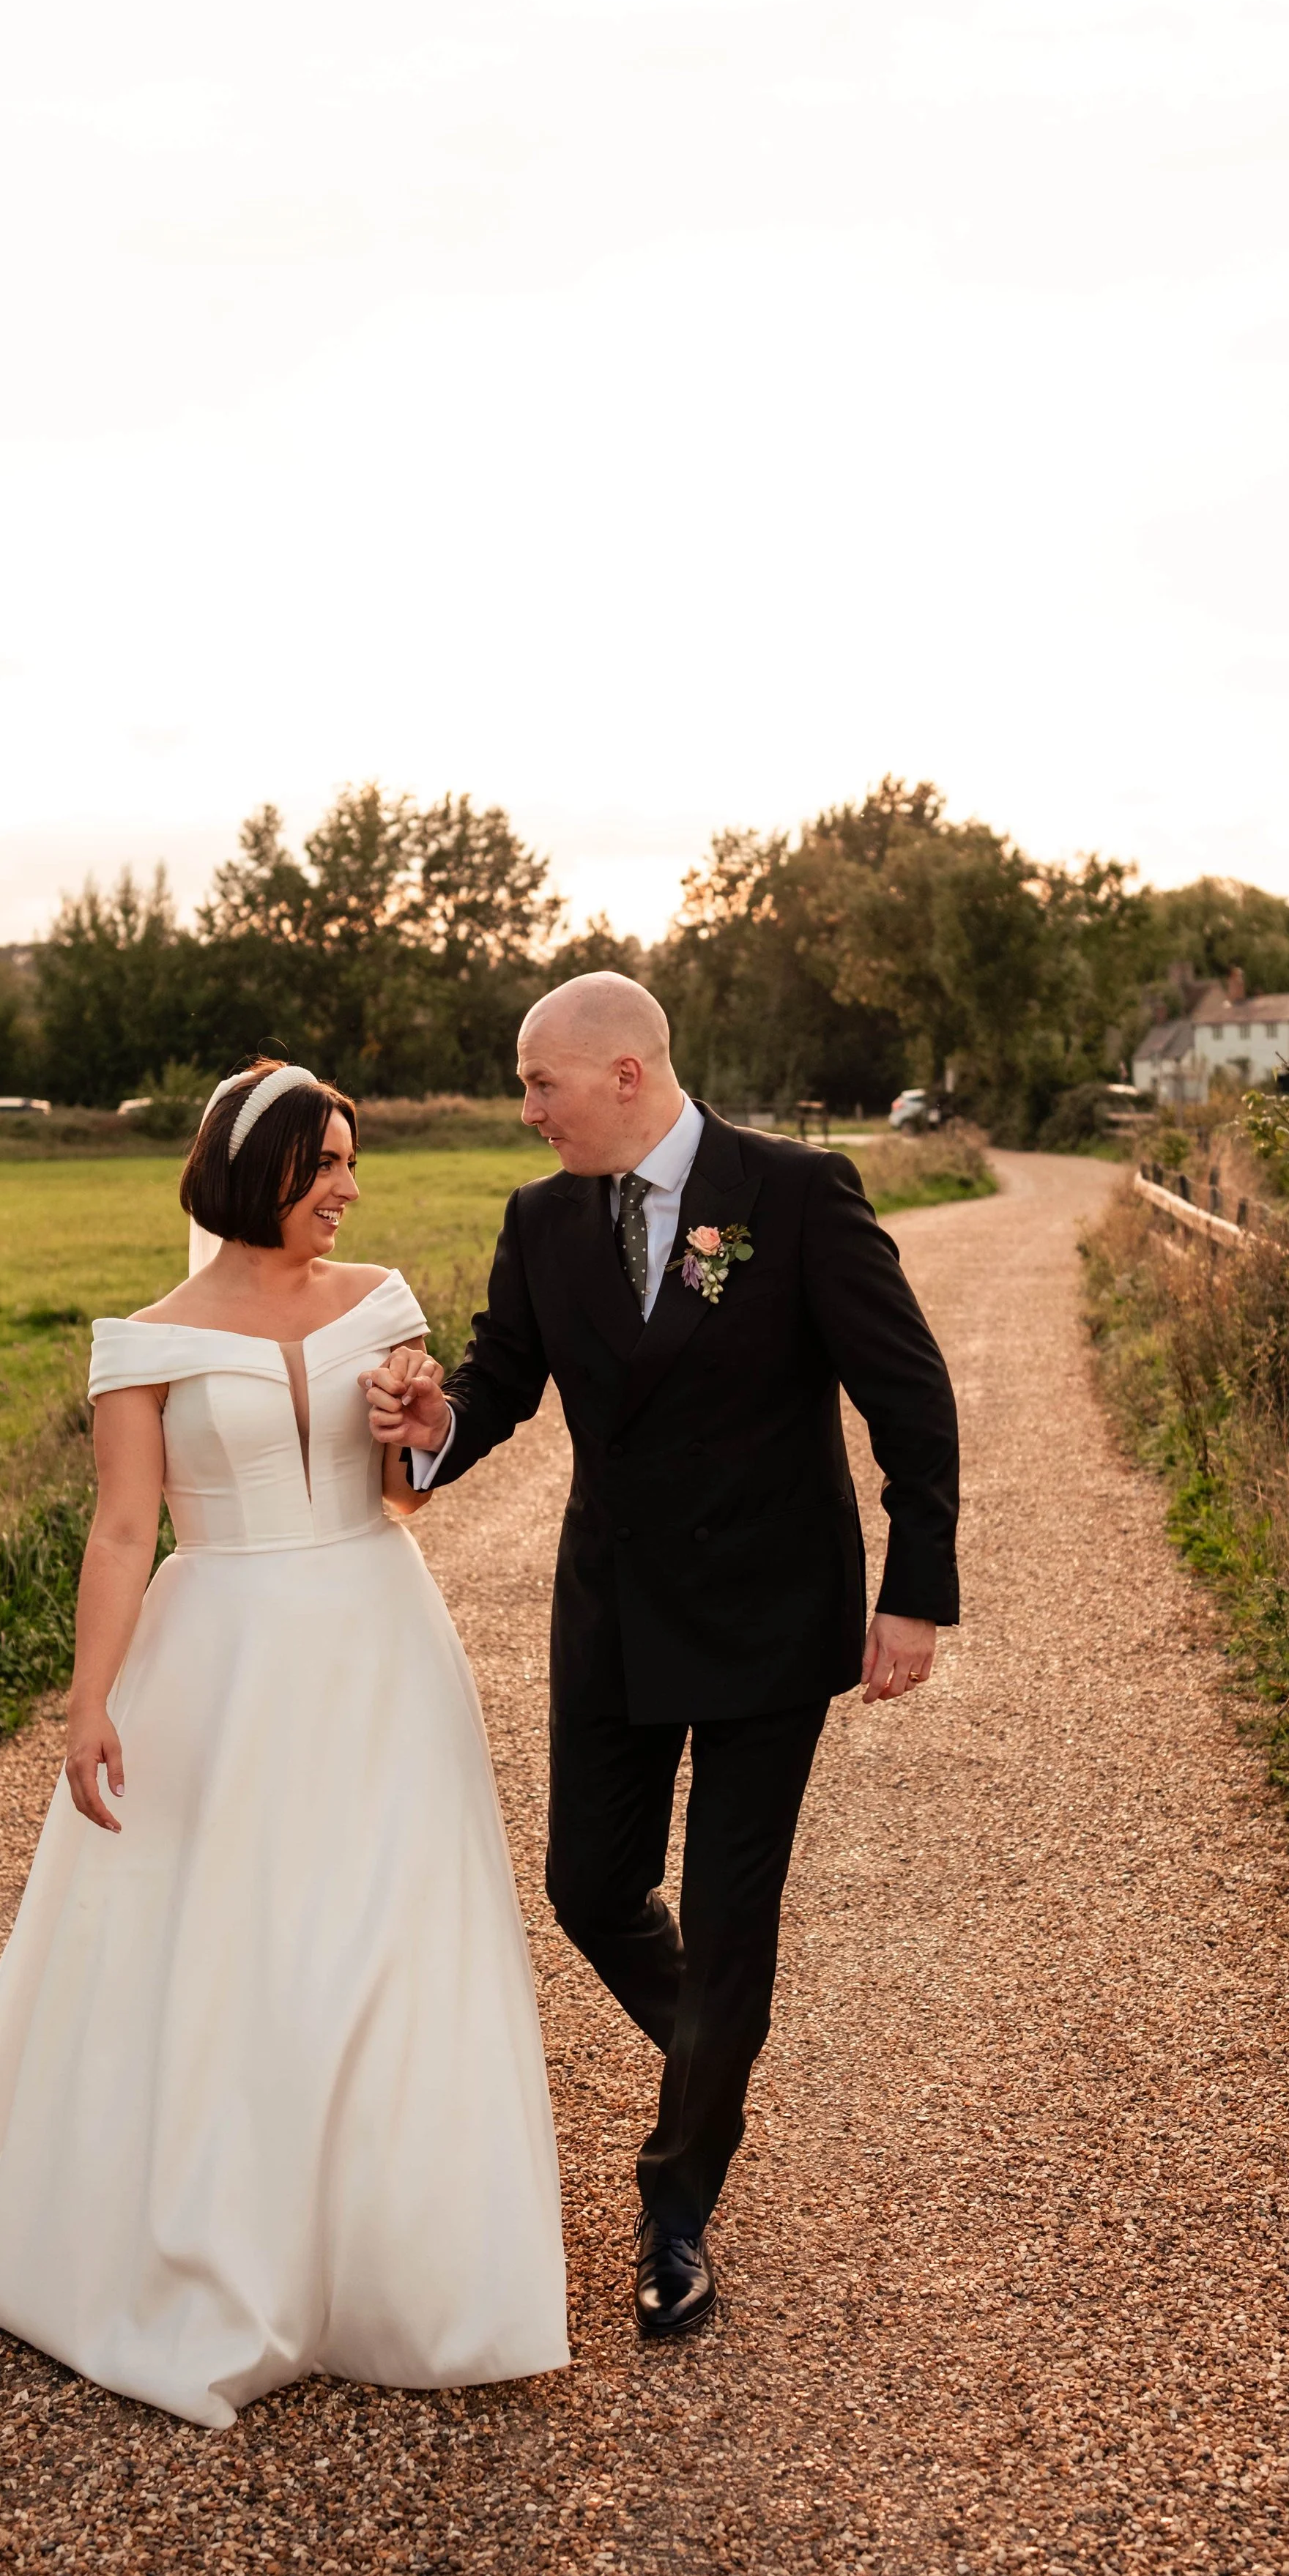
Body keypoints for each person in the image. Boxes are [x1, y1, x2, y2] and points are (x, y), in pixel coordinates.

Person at [0, 1058, 568, 2427]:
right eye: (328, 1167)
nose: (351, 1189)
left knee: (391, 1934)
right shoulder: (147, 1341)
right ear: (258, 1175)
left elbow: (408, 1490)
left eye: (354, 1163)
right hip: (225, 1655)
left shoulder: (384, 1304)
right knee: (238, 1938)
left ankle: (407, 2262)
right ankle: (223, 2248)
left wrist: (415, 1438)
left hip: (379, 1640)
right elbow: (125, 1531)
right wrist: (87, 1700)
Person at [365, 976, 959, 2340]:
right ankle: (721, 2050)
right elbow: (499, 1382)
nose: (526, 1111)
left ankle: (676, 2204)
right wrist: (428, 1424)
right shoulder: (541, 1217)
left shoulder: (797, 1194)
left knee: (731, 1914)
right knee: (587, 1885)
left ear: (627, 1072)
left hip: (769, 1619)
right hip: (614, 1613)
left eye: (541, 1083)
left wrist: (917, 1587)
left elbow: (911, 1398)